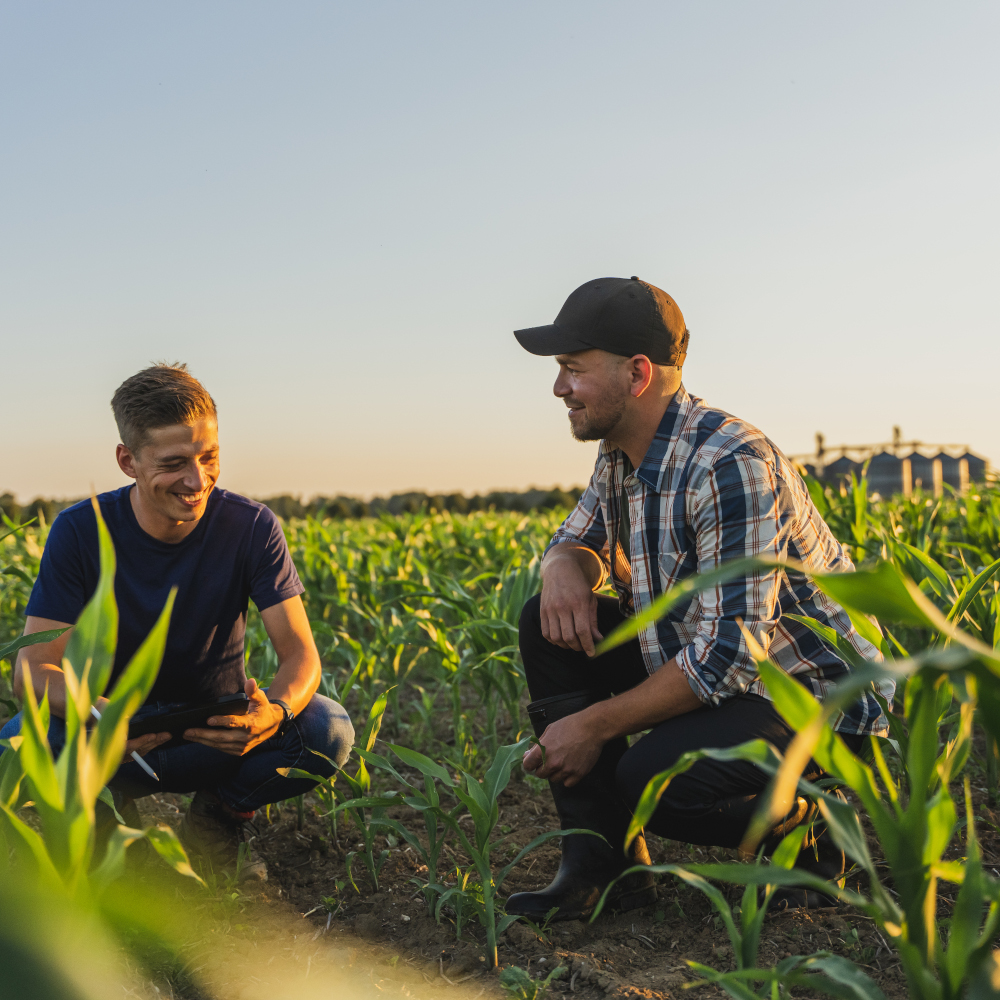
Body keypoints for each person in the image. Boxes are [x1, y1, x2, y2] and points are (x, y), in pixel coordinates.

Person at [507, 276, 892, 921]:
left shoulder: (728, 460)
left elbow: (728, 658)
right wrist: (562, 563)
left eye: (572, 369)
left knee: (656, 783)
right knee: (545, 623)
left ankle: (816, 830)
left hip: (812, 693)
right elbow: (576, 538)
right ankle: (604, 868)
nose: (558, 388)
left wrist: (590, 727)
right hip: (712, 665)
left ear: (636, 374)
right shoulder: (620, 452)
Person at [2, 363, 355, 882]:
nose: (198, 480)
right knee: (14, 745)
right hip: (114, 743)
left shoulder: (250, 526)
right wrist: (102, 718)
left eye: (209, 457)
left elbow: (300, 655)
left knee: (327, 729)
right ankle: (108, 833)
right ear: (127, 461)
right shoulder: (80, 531)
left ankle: (217, 819)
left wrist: (273, 713)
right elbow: (32, 670)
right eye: (173, 463)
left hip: (214, 736)